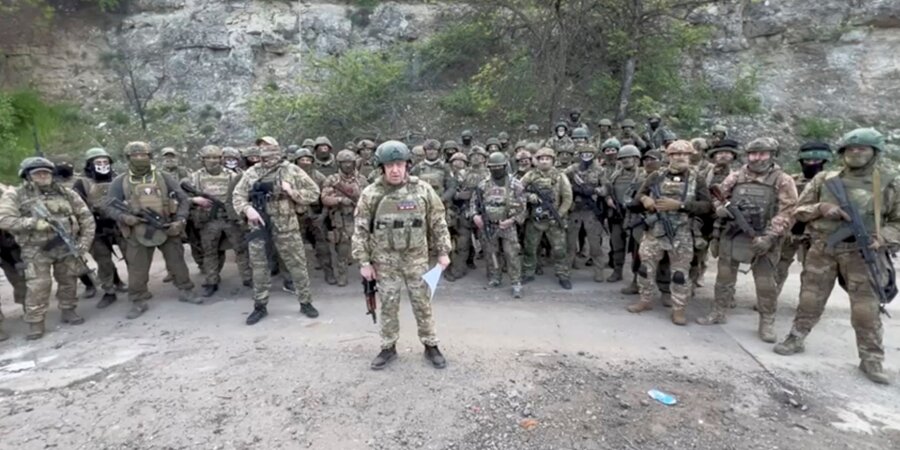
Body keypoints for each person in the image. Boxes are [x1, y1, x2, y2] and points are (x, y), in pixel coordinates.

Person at [773, 128, 897, 385]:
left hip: (864, 254)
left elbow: (897, 221)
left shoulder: (888, 182)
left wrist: (881, 237)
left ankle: (871, 358)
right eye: (850, 149)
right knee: (810, 298)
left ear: (874, 152)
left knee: (866, 309)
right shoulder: (824, 179)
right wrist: (821, 207)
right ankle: (796, 336)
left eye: (862, 149)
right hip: (823, 248)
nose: (856, 153)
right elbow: (798, 211)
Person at [352, 141, 452, 370]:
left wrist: (443, 252)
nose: (395, 170)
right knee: (388, 304)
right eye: (389, 165)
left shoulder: (422, 189)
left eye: (399, 164)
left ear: (407, 165)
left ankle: (430, 345)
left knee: (422, 302)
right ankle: (388, 347)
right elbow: (360, 229)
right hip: (385, 259)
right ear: (381, 168)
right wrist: (364, 262)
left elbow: (438, 221)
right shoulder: (371, 193)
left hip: (416, 257)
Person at [696, 138, 798, 343]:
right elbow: (717, 196)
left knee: (766, 284)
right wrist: (720, 208)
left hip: (764, 237)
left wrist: (769, 237)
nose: (757, 158)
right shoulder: (736, 176)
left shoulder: (782, 180)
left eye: (763, 154)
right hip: (733, 235)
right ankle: (719, 312)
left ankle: (767, 322)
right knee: (724, 278)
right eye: (753, 154)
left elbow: (788, 211)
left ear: (772, 155)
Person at [0, 157, 96, 339]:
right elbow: (4, 219)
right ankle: (36, 322)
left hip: (66, 246)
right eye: (37, 173)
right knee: (38, 286)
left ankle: (68, 310)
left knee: (69, 280)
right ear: (27, 176)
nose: (43, 176)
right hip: (35, 250)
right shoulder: (15, 195)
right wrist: (34, 224)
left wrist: (84, 243)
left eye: (46, 172)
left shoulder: (66, 193)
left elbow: (86, 218)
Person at [103, 142, 198, 319]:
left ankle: (186, 290)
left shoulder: (163, 177)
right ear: (128, 158)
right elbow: (108, 207)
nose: (140, 158)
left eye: (144, 155)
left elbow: (183, 199)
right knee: (137, 269)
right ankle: (138, 300)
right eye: (135, 156)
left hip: (166, 226)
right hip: (137, 230)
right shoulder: (121, 181)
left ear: (150, 156)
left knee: (177, 262)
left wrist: (180, 220)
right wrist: (126, 218)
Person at [233, 139, 321, 325]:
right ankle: (260, 305)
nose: (267, 162)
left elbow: (314, 193)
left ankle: (305, 302)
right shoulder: (252, 172)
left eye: (271, 158)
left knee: (297, 265)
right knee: (259, 267)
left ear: (279, 156)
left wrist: (292, 192)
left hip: (287, 226)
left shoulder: (291, 170)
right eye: (264, 158)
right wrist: (247, 209)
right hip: (259, 225)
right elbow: (238, 196)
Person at [626, 140, 712, 325]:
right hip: (655, 230)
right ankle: (645, 300)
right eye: (675, 154)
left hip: (681, 232)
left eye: (684, 154)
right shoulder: (656, 176)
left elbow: (707, 207)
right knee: (644, 269)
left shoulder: (697, 178)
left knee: (680, 274)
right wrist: (645, 199)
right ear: (669, 156)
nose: (680, 157)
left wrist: (681, 206)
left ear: (690, 156)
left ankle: (678, 309)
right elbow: (636, 198)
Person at [184, 145, 252, 296]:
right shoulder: (195, 177)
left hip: (230, 219)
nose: (212, 161)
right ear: (202, 160)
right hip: (208, 220)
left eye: (215, 157)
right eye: (208, 158)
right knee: (210, 252)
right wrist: (195, 199)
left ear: (221, 159)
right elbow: (182, 197)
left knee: (241, 249)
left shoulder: (232, 175)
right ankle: (212, 281)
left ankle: (247, 278)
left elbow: (242, 193)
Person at [773, 142, 832, 298]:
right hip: (789, 230)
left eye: (816, 162)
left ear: (823, 162)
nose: (811, 165)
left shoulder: (831, 183)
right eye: (807, 161)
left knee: (813, 270)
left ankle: (808, 303)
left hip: (815, 232)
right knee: (778, 264)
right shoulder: (791, 180)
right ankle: (769, 297)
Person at [72, 148, 127, 309]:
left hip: (120, 224)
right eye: (98, 163)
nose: (102, 165)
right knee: (103, 262)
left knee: (132, 256)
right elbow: (78, 206)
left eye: (105, 162)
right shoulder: (81, 183)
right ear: (90, 165)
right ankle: (109, 291)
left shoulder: (119, 179)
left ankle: (138, 289)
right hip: (96, 228)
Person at [471, 152, 526, 297]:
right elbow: (474, 202)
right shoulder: (483, 184)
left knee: (511, 253)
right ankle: (496, 277)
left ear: (505, 166)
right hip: (489, 225)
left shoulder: (515, 184)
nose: (496, 170)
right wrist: (475, 216)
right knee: (491, 253)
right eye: (492, 167)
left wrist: (512, 220)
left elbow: (523, 206)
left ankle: (516, 282)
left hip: (508, 225)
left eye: (499, 167)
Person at [521, 147, 573, 289]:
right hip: (535, 219)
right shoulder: (530, 175)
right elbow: (518, 191)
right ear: (536, 161)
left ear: (553, 161)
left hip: (554, 219)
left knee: (560, 250)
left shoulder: (560, 176)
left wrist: (559, 214)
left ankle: (563, 275)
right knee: (530, 248)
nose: (544, 162)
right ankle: (528, 273)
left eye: (547, 159)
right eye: (541, 159)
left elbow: (568, 198)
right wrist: (529, 196)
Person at [320, 150, 369, 286]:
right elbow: (325, 199)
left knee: (362, 248)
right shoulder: (332, 180)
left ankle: (366, 276)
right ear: (339, 164)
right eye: (344, 163)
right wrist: (340, 200)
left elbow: (370, 198)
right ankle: (342, 276)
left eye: (350, 162)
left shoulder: (361, 180)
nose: (347, 165)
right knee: (342, 249)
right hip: (340, 218)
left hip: (359, 218)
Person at [565, 143, 607, 282]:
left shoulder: (600, 170)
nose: (586, 157)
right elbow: (561, 181)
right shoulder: (573, 169)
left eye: (589, 154)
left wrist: (594, 190)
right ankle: (567, 269)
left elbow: (606, 189)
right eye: (584, 154)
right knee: (570, 242)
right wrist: (574, 188)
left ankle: (598, 270)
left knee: (594, 243)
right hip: (575, 209)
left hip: (591, 210)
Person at [605, 145, 643, 284]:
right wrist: (607, 198)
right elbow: (607, 189)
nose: (626, 160)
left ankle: (636, 278)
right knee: (616, 245)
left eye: (629, 157)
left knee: (636, 249)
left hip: (635, 217)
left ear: (636, 158)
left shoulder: (642, 175)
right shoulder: (615, 175)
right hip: (617, 214)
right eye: (623, 158)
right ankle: (617, 270)